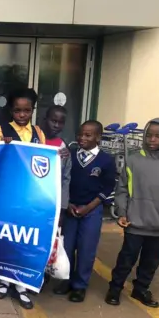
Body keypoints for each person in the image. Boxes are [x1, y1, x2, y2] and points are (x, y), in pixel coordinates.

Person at [105, 118, 159, 308]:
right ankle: (115, 288)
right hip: (134, 222)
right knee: (127, 258)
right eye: (149, 135)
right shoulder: (133, 159)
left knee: (151, 262)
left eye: (158, 136)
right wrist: (122, 212)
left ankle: (141, 289)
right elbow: (123, 189)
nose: (152, 139)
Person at [0, 88, 45, 309]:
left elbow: (43, 161)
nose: (22, 115)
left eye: (27, 110)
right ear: (11, 110)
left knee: (24, 238)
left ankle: (21, 284)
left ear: (32, 110)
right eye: (18, 110)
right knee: (7, 236)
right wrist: (0, 146)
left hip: (28, 194)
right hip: (6, 192)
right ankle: (4, 280)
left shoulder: (38, 132)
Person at [55, 121, 115, 303]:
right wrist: (70, 204)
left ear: (98, 138)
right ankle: (66, 280)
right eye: (80, 134)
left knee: (86, 249)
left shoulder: (106, 160)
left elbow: (108, 186)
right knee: (67, 246)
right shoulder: (70, 155)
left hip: (92, 210)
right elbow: (63, 180)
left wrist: (89, 207)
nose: (82, 138)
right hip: (71, 209)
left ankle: (80, 286)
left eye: (88, 135)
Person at [40, 105, 72, 226]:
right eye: (53, 121)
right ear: (45, 119)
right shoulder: (33, 139)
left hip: (52, 203)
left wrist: (62, 208)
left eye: (60, 122)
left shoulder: (63, 148)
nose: (56, 125)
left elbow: (65, 179)